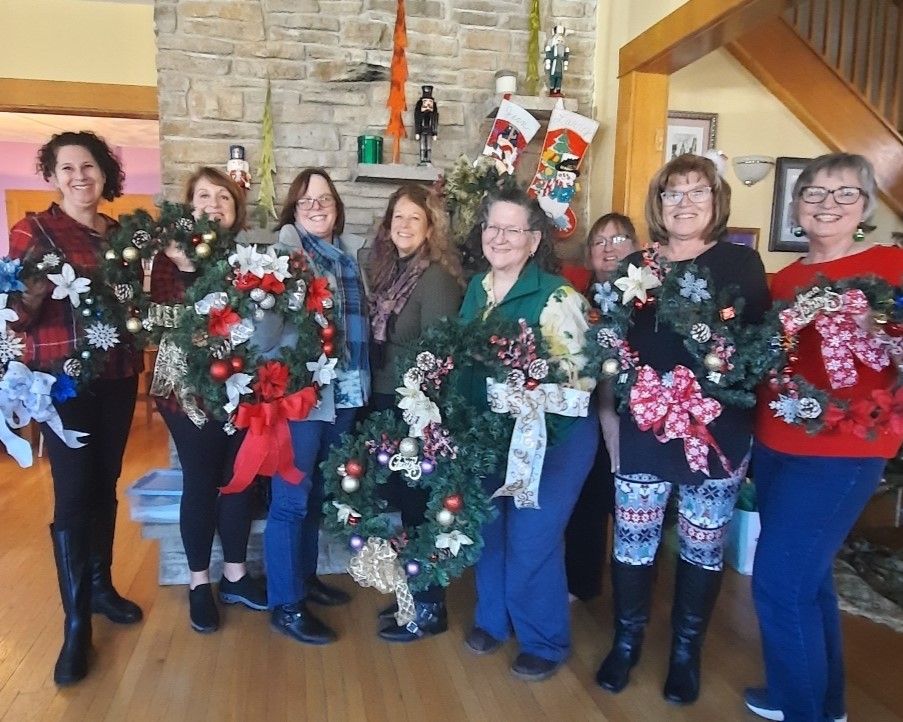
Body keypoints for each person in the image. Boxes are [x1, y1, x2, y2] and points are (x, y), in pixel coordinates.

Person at [595, 154, 769, 704]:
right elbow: (612, 349)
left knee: (702, 547)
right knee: (634, 542)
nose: (686, 201)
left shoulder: (741, 266)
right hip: (644, 426)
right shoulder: (636, 266)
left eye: (699, 191)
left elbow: (755, 354)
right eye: (674, 193)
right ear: (659, 203)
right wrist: (614, 416)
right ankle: (627, 643)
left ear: (716, 202)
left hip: (715, 434)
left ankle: (685, 653)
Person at [745, 153, 903, 722]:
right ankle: (819, 701)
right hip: (775, 445)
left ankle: (803, 710)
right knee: (808, 583)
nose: (826, 205)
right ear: (796, 205)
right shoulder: (784, 279)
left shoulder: (890, 266)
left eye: (843, 194)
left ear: (865, 206)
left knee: (778, 585)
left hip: (845, 452)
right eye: (814, 193)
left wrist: (882, 328)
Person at [8, 131, 144, 686]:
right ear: (53, 174)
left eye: (88, 166)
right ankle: (74, 625)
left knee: (104, 484)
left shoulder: (119, 234)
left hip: (115, 377)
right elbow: (13, 315)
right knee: (72, 493)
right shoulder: (33, 231)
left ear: (103, 174)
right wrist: (35, 290)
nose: (79, 176)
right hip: (61, 385)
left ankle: (102, 586)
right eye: (67, 168)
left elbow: (134, 301)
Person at [459, 187, 598, 682]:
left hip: (554, 442)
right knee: (489, 529)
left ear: (534, 239)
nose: (499, 237)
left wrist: (526, 410)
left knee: (531, 538)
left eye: (512, 229)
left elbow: (580, 384)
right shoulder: (478, 288)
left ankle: (544, 639)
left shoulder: (558, 298)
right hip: (489, 437)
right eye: (492, 227)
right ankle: (493, 621)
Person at [149, 166, 267, 633]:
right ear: (189, 204)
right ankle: (200, 583)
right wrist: (185, 268)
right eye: (204, 196)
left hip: (239, 385)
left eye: (224, 197)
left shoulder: (247, 257)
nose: (214, 204)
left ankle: (235, 575)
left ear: (236, 210)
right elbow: (162, 321)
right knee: (200, 479)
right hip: (186, 389)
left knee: (237, 479)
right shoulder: (168, 255)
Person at [265, 168, 370, 645]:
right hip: (303, 399)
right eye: (306, 199)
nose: (316, 205)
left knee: (314, 496)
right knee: (289, 501)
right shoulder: (286, 253)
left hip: (345, 394)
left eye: (324, 197)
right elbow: (266, 333)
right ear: (293, 206)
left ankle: (303, 581)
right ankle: (285, 605)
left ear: (336, 205)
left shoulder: (346, 255)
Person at [366, 184, 465, 642]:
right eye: (397, 218)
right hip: (385, 402)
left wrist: (425, 426)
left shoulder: (436, 279)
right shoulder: (391, 272)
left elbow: (441, 359)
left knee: (421, 508)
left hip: (418, 411)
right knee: (403, 507)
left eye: (414, 219)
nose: (403, 226)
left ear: (430, 229)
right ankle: (412, 593)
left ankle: (430, 608)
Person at [564, 213, 639, 602]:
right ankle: (582, 582)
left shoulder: (649, 297)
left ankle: (634, 593)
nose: (608, 248)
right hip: (588, 411)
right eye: (599, 241)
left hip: (640, 411)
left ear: (636, 246)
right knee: (588, 499)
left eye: (619, 238)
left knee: (633, 507)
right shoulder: (578, 298)